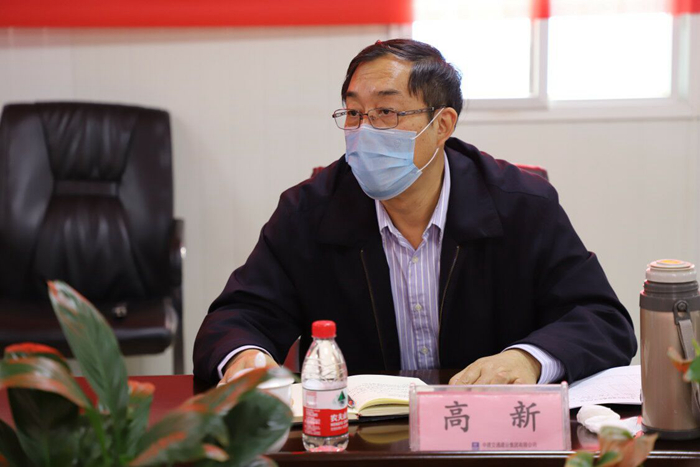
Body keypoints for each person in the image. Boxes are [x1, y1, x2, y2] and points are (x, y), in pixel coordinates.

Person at [193, 39, 636, 386]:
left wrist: (527, 360)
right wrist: (246, 359)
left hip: (490, 434)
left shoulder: (522, 205)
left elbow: (601, 319)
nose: (363, 130)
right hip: (362, 440)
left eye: (386, 112)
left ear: (442, 125)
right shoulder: (308, 211)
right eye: (354, 112)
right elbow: (239, 316)